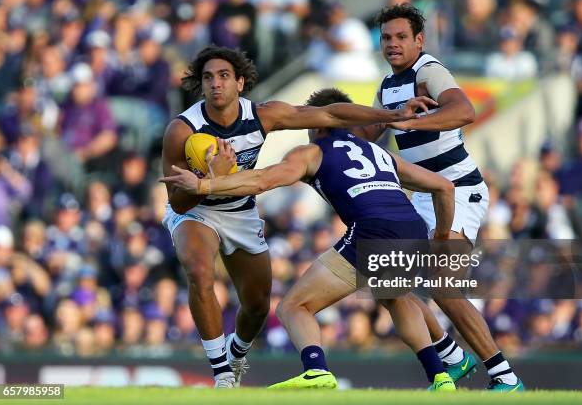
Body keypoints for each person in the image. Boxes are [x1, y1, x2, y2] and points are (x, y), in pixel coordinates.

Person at [160, 45, 434, 388]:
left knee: (258, 305)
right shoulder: (181, 130)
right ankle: (222, 374)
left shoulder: (264, 115)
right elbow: (178, 201)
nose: (216, 84)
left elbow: (331, 115)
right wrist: (207, 181)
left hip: (241, 211)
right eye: (208, 78)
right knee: (200, 272)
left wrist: (393, 116)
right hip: (196, 211)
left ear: (240, 83)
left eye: (224, 76)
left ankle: (237, 353)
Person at [358, 4, 523, 391]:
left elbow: (464, 110)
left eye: (401, 37)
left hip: (458, 189)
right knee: (386, 278)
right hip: (423, 196)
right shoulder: (387, 86)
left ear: (419, 40)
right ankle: (451, 355)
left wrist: (407, 120)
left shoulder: (428, 71)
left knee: (444, 286)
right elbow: (369, 133)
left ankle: (505, 376)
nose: (393, 44)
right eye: (386, 37)